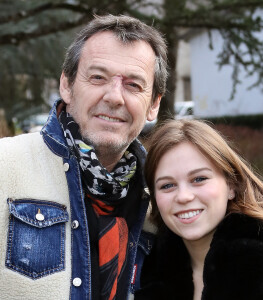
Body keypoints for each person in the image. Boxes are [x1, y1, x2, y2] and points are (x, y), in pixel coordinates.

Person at [0, 14, 167, 300]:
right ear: (67, 85)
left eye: (133, 85)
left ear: (153, 105)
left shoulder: (165, 195)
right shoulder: (5, 166)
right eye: (98, 77)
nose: (115, 97)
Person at [135, 119, 263, 300]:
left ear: (231, 185)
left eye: (199, 179)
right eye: (167, 185)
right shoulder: (140, 272)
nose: (183, 196)